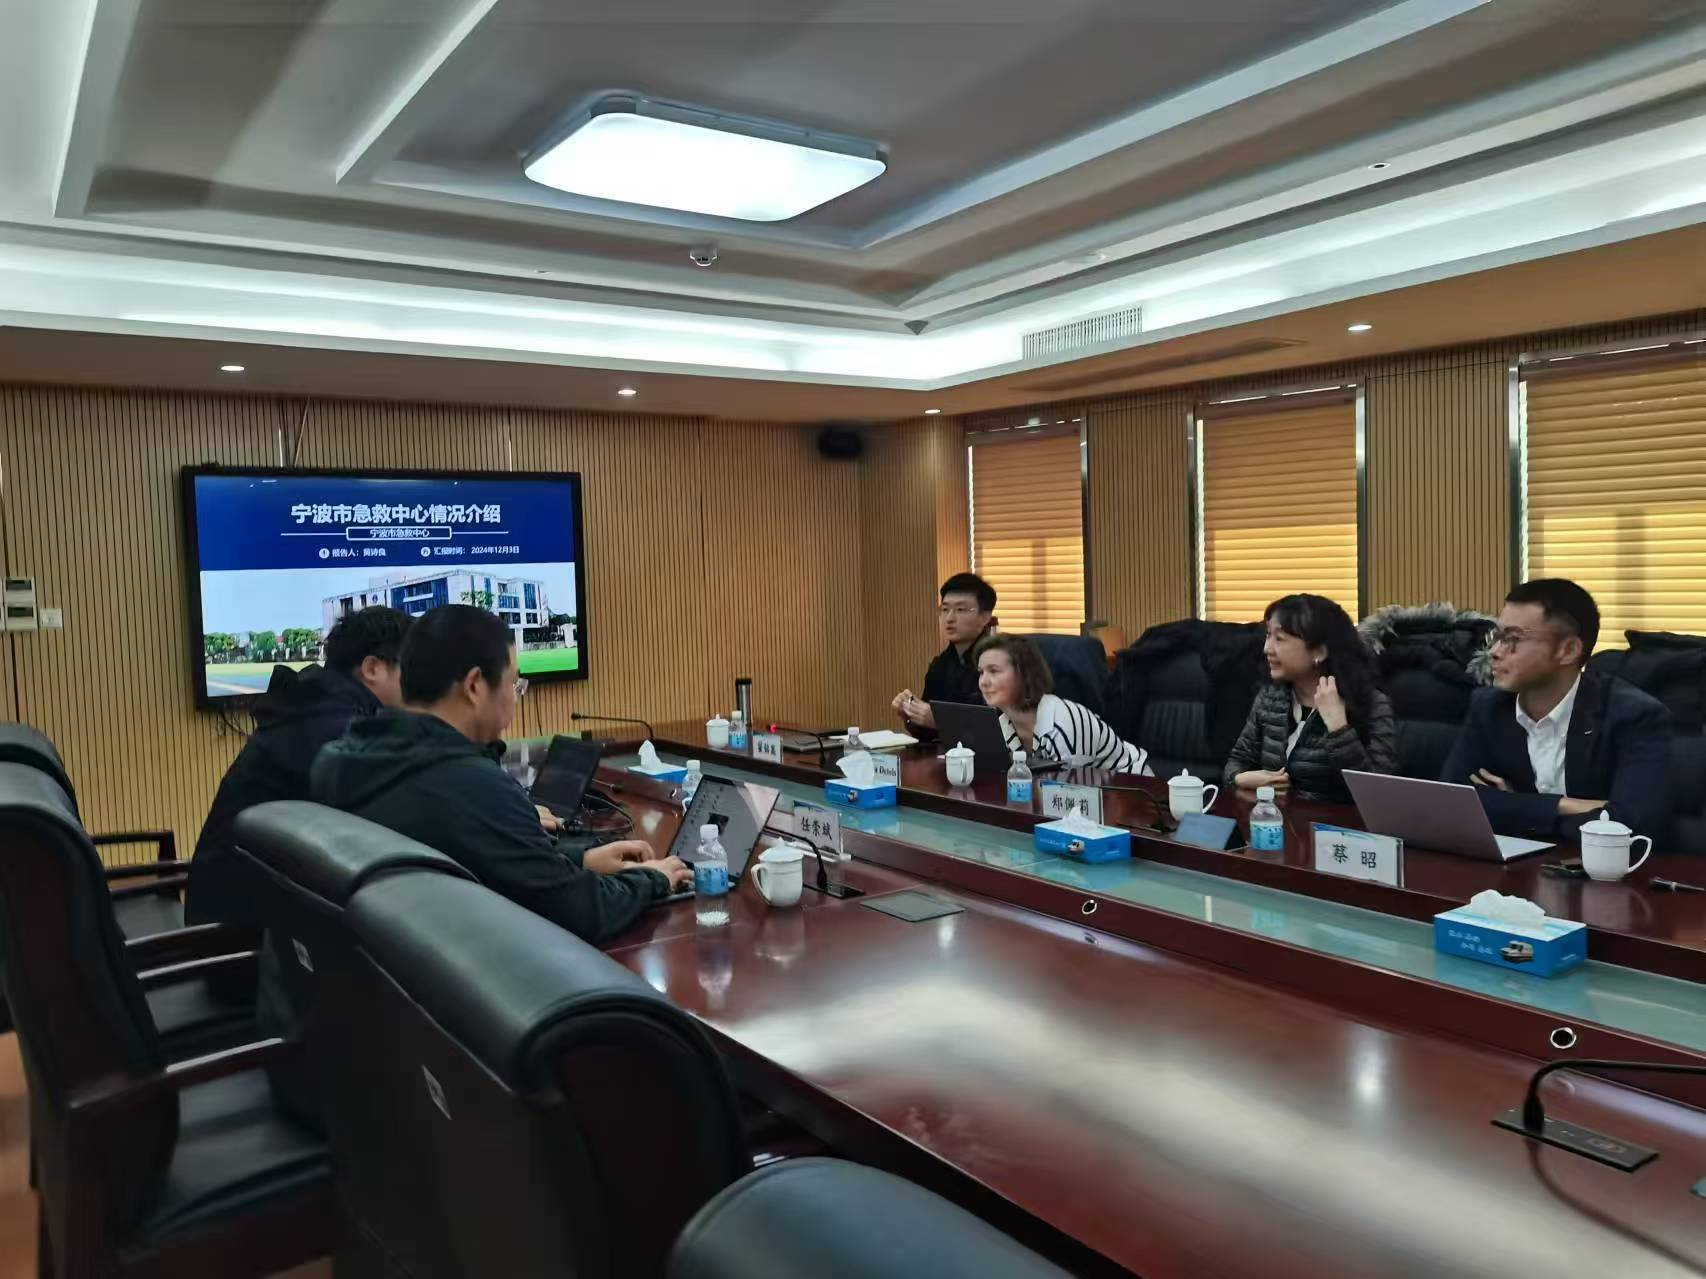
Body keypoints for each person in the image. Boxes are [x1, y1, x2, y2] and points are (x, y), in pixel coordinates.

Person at [311, 605, 690, 944]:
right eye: (513, 683)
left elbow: (473, 857)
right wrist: (654, 878)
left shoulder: (343, 758)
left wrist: (581, 860)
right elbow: (583, 912)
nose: (514, 697)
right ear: (475, 685)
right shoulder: (467, 782)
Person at [187, 606, 414, 929]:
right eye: (413, 668)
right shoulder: (340, 732)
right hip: (240, 938)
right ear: (373, 668)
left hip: (230, 913)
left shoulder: (315, 709)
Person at [1441, 579, 1671, 844]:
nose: (1494, 652)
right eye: (1497, 636)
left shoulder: (1634, 715)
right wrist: (1567, 805)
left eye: (1513, 639)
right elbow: (1453, 804)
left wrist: (1514, 806)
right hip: (1516, 863)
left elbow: (1636, 824)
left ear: (1568, 650)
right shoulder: (1489, 706)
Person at [1225, 594, 1397, 804]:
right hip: (1274, 818)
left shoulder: (1372, 704)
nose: (1267, 648)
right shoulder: (1270, 697)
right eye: (1268, 636)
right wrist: (1241, 778)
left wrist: (1339, 728)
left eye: (1279, 639)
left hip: (1335, 823)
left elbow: (1378, 795)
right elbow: (1236, 762)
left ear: (1319, 652)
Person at [975, 634, 1150, 773]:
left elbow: (1073, 792)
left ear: (1024, 674)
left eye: (994, 671)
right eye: (981, 672)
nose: (983, 682)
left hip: (1132, 788)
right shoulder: (1004, 723)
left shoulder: (1061, 723)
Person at [892, 573, 997, 740]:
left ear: (984, 617)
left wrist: (940, 720)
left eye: (960, 610)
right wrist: (911, 714)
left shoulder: (998, 664)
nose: (949, 618)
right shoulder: (940, 665)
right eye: (945, 609)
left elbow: (995, 728)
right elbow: (928, 736)